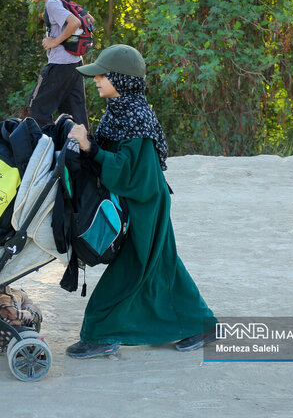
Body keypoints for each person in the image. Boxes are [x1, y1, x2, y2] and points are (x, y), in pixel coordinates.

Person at [64, 44, 218, 359]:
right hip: (139, 203)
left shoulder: (136, 116)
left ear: (121, 80)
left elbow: (130, 173)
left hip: (146, 207)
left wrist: (89, 148)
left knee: (136, 269)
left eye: (102, 75)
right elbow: (115, 161)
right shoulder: (119, 109)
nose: (96, 80)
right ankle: (201, 325)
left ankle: (102, 333)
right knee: (163, 266)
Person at [22, 0, 89, 129]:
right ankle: (83, 150)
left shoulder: (51, 4)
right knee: (75, 116)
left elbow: (75, 22)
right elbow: (88, 19)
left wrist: (55, 41)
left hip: (60, 65)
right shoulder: (60, 0)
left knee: (36, 108)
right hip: (75, 64)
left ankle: (48, 146)